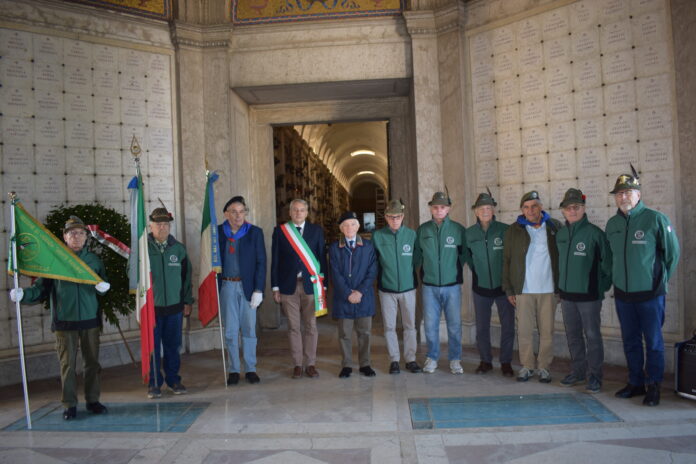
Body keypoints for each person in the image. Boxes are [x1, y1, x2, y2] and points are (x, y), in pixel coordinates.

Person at [10, 216, 110, 420]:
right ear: (64, 237)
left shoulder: (93, 261)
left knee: (92, 364)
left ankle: (93, 400)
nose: (76, 236)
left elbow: (103, 286)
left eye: (81, 233)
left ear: (86, 237)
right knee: (67, 365)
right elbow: (41, 289)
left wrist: (102, 288)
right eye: (72, 233)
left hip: (90, 321)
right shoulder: (55, 262)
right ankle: (70, 404)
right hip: (65, 322)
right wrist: (24, 295)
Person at [606, 171, 679, 406]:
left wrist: (658, 280)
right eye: (619, 194)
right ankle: (635, 382)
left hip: (650, 295)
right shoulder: (613, 223)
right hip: (623, 296)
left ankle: (654, 385)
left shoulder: (655, 219)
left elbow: (672, 255)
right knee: (630, 341)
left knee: (654, 341)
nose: (623, 197)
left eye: (627, 192)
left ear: (638, 194)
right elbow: (609, 257)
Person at [556, 188, 612, 393]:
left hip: (589, 297)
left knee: (592, 336)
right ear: (563, 211)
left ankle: (595, 376)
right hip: (567, 296)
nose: (572, 211)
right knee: (573, 336)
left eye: (576, 207)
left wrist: (600, 287)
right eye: (568, 208)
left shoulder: (594, 234)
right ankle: (578, 371)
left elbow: (608, 265)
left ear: (583, 208)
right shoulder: (561, 234)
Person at [502, 191, 561, 383]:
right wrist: (510, 290)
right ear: (521, 210)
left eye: (534, 206)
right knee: (524, 331)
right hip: (524, 291)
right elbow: (507, 261)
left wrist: (560, 288)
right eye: (526, 207)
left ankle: (544, 367)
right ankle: (527, 366)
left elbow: (561, 258)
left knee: (547, 332)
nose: (530, 210)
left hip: (548, 290)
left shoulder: (554, 227)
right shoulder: (514, 230)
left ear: (541, 207)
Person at [271, 199, 327, 379]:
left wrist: (323, 285)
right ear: (289, 212)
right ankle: (297, 364)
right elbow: (275, 260)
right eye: (295, 210)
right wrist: (275, 287)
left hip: (311, 286)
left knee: (311, 325)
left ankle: (310, 363)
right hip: (288, 286)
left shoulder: (316, 231)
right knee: (293, 327)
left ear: (307, 212)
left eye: (302, 210)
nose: (298, 213)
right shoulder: (280, 232)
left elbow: (321, 259)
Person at [414, 191, 466, 375]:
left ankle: (455, 359)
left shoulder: (458, 230)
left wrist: (453, 271)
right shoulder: (423, 230)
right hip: (429, 286)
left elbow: (464, 255)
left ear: (448, 209)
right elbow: (417, 257)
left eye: (442, 207)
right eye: (435, 207)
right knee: (430, 324)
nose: (438, 210)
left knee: (454, 324)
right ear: (431, 209)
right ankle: (432, 357)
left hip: (452, 286)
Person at [464, 191, 515, 377]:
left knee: (508, 326)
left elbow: (511, 258)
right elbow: (466, 256)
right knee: (482, 327)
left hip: (503, 289)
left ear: (493, 210)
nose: (485, 211)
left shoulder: (505, 230)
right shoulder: (469, 233)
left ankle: (506, 362)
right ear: (475, 212)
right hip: (481, 289)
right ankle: (485, 361)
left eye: (488, 208)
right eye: (481, 208)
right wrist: (477, 270)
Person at [218, 196, 266, 386]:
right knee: (230, 331)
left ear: (245, 213)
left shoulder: (254, 233)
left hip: (248, 287)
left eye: (241, 211)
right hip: (227, 286)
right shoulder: (218, 234)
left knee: (248, 329)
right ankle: (234, 369)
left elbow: (261, 262)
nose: (238, 216)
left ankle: (251, 368)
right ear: (226, 214)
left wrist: (258, 289)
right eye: (234, 212)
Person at [147, 206, 193, 399]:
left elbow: (186, 277)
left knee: (173, 345)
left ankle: (173, 379)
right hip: (152, 309)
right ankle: (154, 383)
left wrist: (187, 301)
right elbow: (133, 276)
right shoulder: (143, 249)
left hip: (174, 308)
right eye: (158, 224)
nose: (162, 228)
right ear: (151, 226)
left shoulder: (178, 249)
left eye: (166, 224)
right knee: (153, 347)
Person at [373, 199, 422, 374]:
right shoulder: (378, 236)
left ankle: (411, 359)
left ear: (403, 217)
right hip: (387, 289)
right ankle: (394, 360)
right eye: (391, 217)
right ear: (386, 217)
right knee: (389, 326)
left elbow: (417, 259)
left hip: (408, 288)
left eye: (398, 217)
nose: (395, 220)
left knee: (410, 325)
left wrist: (407, 274)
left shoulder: (411, 235)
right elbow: (375, 261)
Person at [329, 212, 378, 378]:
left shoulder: (368, 246)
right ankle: (347, 365)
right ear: (341, 229)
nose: (349, 228)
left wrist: (359, 291)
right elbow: (334, 273)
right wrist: (347, 293)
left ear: (358, 227)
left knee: (365, 333)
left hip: (363, 297)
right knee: (344, 334)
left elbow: (372, 271)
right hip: (344, 298)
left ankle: (365, 364)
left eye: (353, 224)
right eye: (346, 225)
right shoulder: (335, 247)